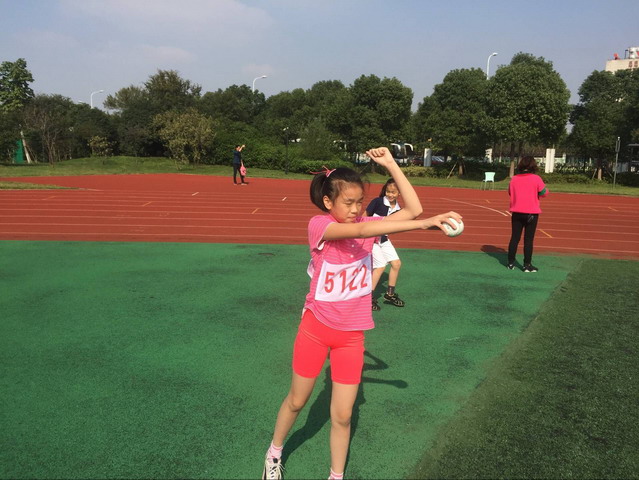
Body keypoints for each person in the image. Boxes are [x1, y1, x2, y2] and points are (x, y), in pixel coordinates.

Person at [261, 147, 462, 480]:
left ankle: (336, 476)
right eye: (348, 203)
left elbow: (414, 209)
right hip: (315, 329)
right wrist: (425, 225)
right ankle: (274, 452)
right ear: (328, 202)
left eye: (360, 202)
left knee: (342, 416)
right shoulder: (320, 225)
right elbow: (360, 232)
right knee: (297, 400)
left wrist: (391, 164)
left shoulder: (367, 223)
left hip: (351, 337)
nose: (356, 210)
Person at [365, 178, 405, 311]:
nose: (390, 194)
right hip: (371, 238)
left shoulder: (399, 210)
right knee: (380, 266)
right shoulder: (377, 202)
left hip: (383, 239)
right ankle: (368, 298)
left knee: (396, 264)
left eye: (393, 192)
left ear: (399, 193)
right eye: (388, 191)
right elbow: (364, 217)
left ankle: (390, 294)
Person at [507, 155, 548, 272]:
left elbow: (510, 192)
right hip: (531, 213)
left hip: (516, 212)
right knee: (528, 240)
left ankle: (510, 263)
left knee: (515, 238)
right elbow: (544, 193)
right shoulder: (536, 178)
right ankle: (527, 265)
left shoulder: (514, 179)